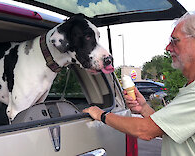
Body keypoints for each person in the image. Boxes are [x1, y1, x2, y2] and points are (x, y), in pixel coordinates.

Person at [83, 12, 195, 155]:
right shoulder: (189, 88)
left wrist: (101, 115)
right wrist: (143, 108)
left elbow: (145, 130)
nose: (168, 48)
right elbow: (167, 130)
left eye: (174, 40)